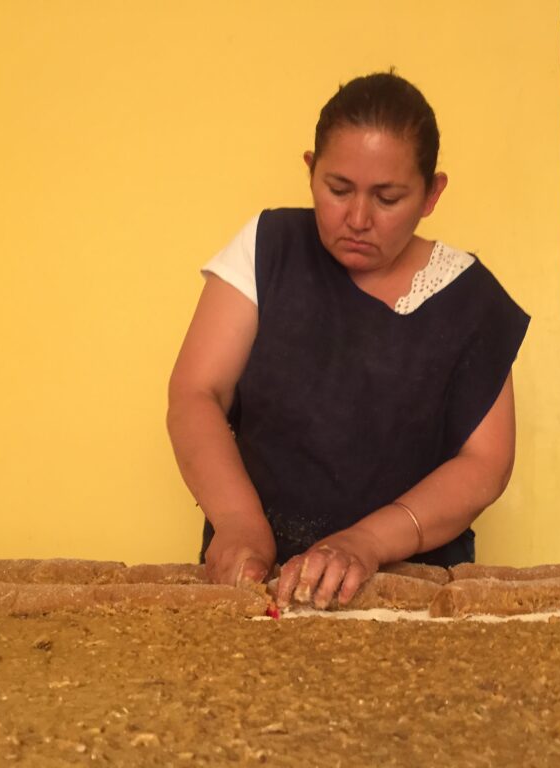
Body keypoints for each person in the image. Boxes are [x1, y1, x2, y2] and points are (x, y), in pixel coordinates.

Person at [167, 72, 529, 610]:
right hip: (257, 575)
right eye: (337, 190)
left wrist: (366, 543)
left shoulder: (469, 298)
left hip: (413, 590)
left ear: (432, 194)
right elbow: (196, 392)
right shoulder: (268, 248)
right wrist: (239, 522)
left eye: (388, 198)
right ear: (310, 169)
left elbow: (485, 464)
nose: (357, 219)